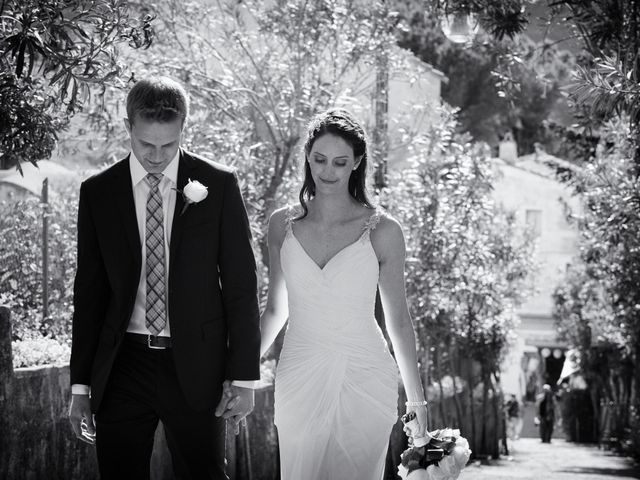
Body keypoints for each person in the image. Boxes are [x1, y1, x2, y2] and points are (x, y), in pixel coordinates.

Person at [67, 77, 261, 480]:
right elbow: (89, 296)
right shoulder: (98, 193)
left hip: (196, 365)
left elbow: (242, 287)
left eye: (168, 145)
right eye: (145, 144)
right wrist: (80, 388)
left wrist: (242, 378)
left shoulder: (219, 185)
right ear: (128, 128)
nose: (156, 156)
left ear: (183, 131)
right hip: (123, 364)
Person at [259, 108, 428, 480]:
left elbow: (398, 321)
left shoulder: (383, 230)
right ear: (306, 156)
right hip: (299, 371)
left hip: (365, 375)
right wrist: (239, 371)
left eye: (340, 162)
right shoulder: (280, 225)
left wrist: (416, 401)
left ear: (357, 163)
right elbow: (275, 310)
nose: (327, 171)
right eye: (319, 159)